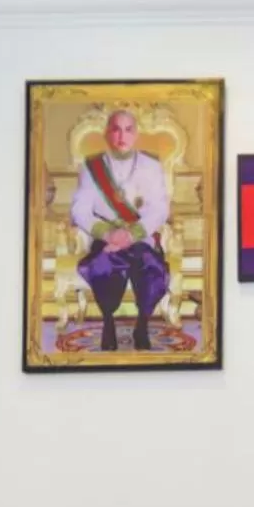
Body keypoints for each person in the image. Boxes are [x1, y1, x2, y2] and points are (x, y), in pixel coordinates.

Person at [68, 109, 172, 352]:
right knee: (104, 267)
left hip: (139, 239)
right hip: (107, 241)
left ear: (136, 134)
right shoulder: (92, 167)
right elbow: (79, 209)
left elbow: (159, 209)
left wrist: (132, 234)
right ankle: (108, 322)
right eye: (115, 129)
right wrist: (107, 234)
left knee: (151, 268)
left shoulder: (151, 165)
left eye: (128, 129)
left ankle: (142, 325)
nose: (121, 136)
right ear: (107, 134)